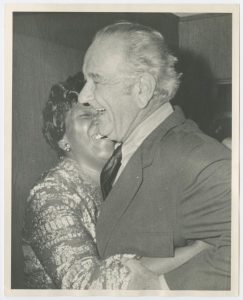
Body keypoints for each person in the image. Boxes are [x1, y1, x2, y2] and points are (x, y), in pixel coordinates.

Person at [78, 21, 231, 290]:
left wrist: (162, 287)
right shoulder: (123, 152)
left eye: (96, 80)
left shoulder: (199, 160)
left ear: (142, 89)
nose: (83, 96)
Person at [22, 72, 209, 289]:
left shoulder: (118, 179)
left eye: (103, 112)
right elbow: (86, 285)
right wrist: (198, 250)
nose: (100, 121)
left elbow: (146, 256)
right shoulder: (50, 196)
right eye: (85, 115)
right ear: (62, 137)